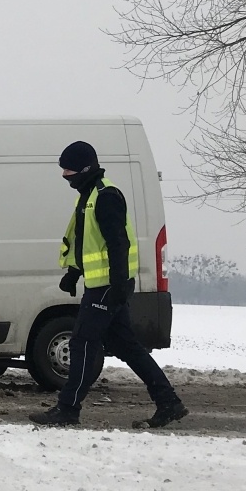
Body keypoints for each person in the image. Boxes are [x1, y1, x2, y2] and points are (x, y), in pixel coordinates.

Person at [30, 141, 188, 429]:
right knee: (126, 346)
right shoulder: (88, 195)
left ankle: (68, 408)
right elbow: (87, 241)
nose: (65, 175)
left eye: (69, 170)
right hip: (101, 284)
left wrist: (117, 286)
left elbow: (118, 243)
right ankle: (169, 402)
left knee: (81, 343)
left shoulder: (106, 196)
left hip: (108, 286)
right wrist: (74, 273)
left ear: (85, 168)